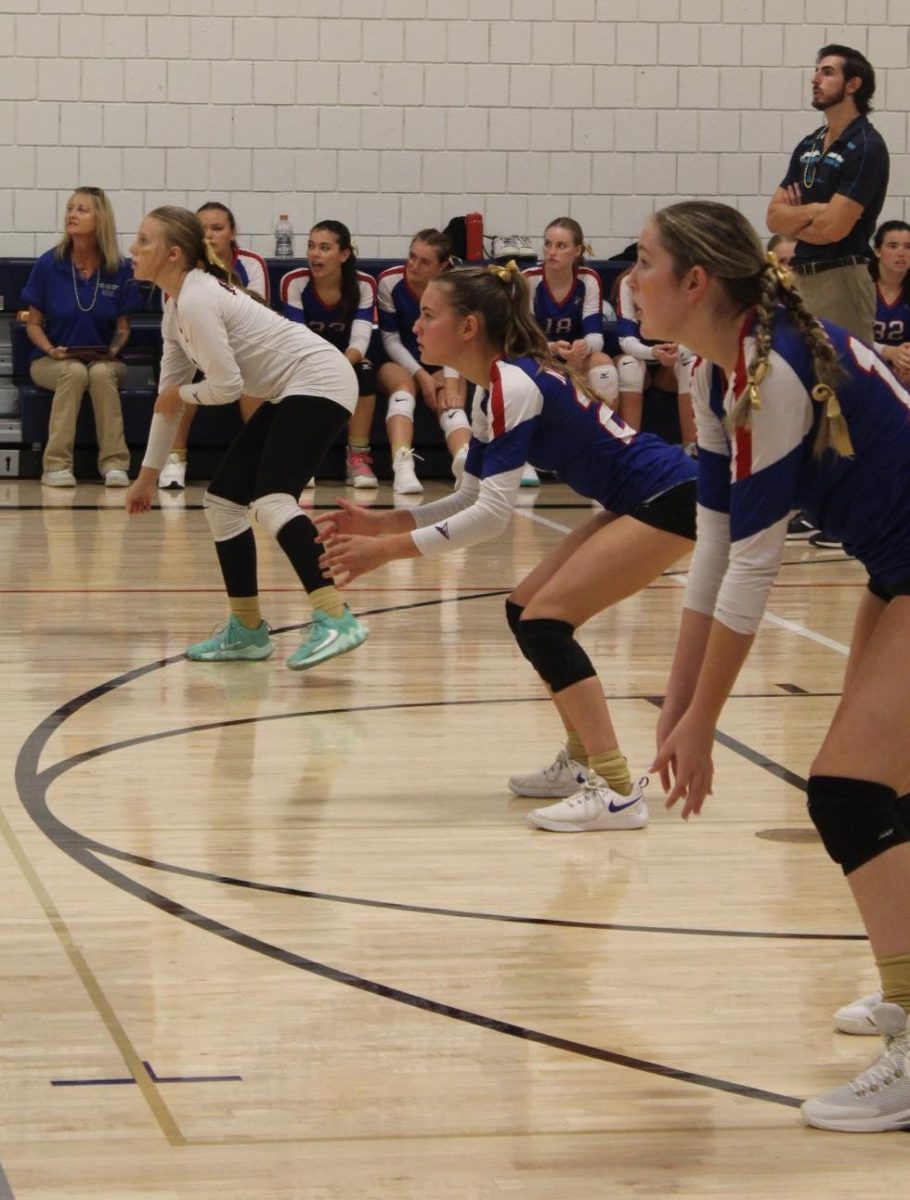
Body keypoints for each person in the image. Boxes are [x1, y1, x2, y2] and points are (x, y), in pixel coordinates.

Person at [632, 200, 910, 1133]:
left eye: (644, 262)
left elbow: (756, 567)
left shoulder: (771, 370)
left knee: (848, 790)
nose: (630, 278)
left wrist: (706, 725)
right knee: (882, 786)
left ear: (696, 282)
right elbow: (711, 548)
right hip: (897, 565)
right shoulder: (722, 374)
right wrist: (676, 712)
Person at [317, 262, 697, 833]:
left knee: (548, 622)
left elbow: (492, 519)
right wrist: (384, 524)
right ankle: (581, 761)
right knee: (525, 611)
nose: (415, 328)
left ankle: (617, 789)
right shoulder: (490, 386)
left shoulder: (513, 383)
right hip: (643, 496)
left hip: (670, 495)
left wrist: (387, 553)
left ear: (468, 327)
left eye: (427, 315)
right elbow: (472, 495)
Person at [124, 205, 368, 670]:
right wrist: (146, 477)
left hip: (320, 379)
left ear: (174, 254)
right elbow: (166, 402)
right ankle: (248, 630)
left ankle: (336, 617)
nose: (133, 250)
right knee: (222, 502)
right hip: (291, 388)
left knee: (272, 499)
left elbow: (227, 387)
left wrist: (182, 392)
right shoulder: (175, 305)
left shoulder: (197, 300)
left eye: (144, 241)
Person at [767, 44, 889, 545]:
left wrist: (804, 217)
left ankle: (855, 507)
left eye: (827, 72)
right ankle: (818, 500)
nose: (815, 79)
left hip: (842, 275)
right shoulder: (810, 143)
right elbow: (774, 219)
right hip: (801, 279)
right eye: (816, 70)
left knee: (844, 389)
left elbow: (839, 226)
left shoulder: (867, 144)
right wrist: (803, 221)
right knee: (803, 387)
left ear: (854, 83)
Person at [23, 186, 139, 488]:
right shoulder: (49, 263)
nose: (72, 215)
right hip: (51, 359)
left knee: (100, 374)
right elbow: (33, 324)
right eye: (70, 208)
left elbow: (123, 328)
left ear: (100, 219)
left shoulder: (119, 267)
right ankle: (56, 465)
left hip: (104, 359)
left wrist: (112, 350)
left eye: (82, 209)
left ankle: (115, 464)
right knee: (73, 372)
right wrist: (51, 349)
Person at [157, 202, 270, 490]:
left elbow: (259, 308)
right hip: (196, 346)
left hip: (242, 344)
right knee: (181, 380)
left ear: (233, 233)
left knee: (253, 378)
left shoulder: (251, 263)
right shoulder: (177, 266)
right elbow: (177, 318)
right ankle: (174, 458)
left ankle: (267, 459)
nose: (208, 235)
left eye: (217, 228)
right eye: (201, 229)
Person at [280, 221, 379, 489]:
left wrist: (340, 365)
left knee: (365, 371)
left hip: (347, 359)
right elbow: (298, 338)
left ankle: (357, 456)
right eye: (311, 246)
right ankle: (303, 457)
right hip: (305, 358)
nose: (314, 254)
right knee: (297, 374)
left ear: (344, 254)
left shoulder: (364, 284)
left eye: (324, 248)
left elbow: (361, 338)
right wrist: (324, 365)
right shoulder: (294, 282)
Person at [522, 218, 620, 485]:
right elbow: (522, 337)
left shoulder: (589, 279)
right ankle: (525, 457)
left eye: (561, 245)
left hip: (574, 354)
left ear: (577, 251)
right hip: (537, 352)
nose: (551, 252)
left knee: (603, 365)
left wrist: (582, 347)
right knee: (525, 368)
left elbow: (595, 336)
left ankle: (606, 449)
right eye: (548, 244)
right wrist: (550, 348)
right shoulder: (528, 280)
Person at [377, 229, 472, 494]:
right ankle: (402, 464)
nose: (414, 265)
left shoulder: (454, 289)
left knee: (449, 397)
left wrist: (451, 384)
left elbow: (457, 341)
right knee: (404, 390)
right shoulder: (390, 282)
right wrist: (422, 376)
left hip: (444, 359)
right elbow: (391, 341)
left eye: (424, 261)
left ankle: (465, 462)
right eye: (412, 257)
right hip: (400, 361)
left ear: (442, 266)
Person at [613, 265, 696, 450]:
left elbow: (697, 335)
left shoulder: (687, 280)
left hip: (669, 368)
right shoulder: (629, 282)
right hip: (640, 358)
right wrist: (652, 352)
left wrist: (678, 351)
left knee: (691, 364)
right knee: (629, 366)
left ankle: (693, 451)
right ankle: (629, 453)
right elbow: (626, 340)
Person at [870, 219, 910, 386]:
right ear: (878, 251)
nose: (901, 253)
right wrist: (888, 351)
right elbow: (850, 336)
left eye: (908, 247)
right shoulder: (862, 288)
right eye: (893, 246)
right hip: (865, 367)